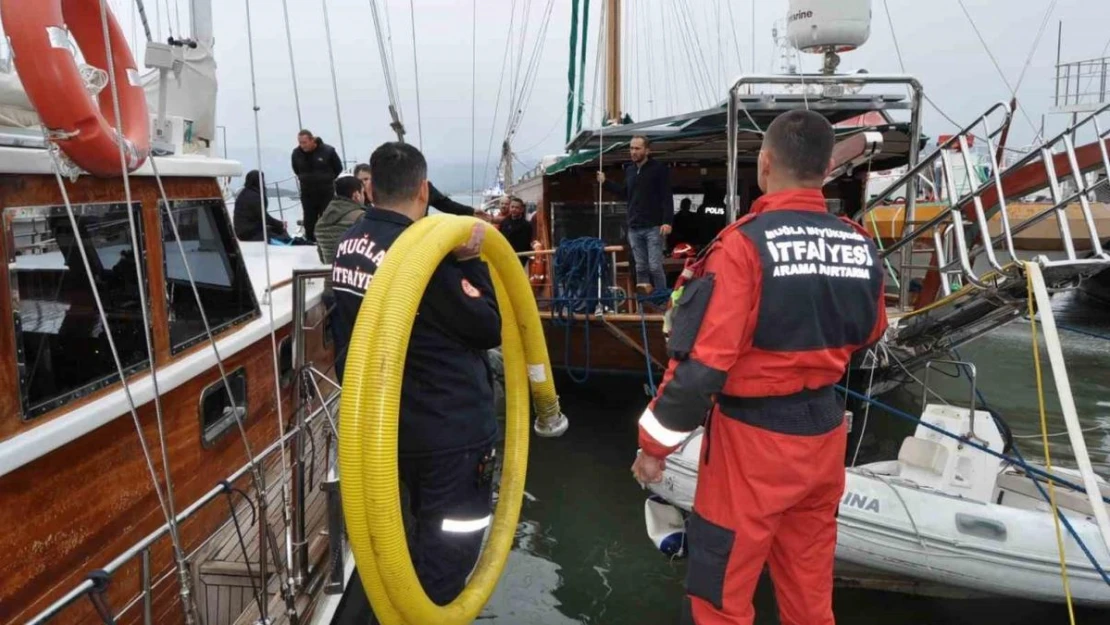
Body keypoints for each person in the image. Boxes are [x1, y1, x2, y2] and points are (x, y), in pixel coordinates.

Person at [631, 110, 888, 625]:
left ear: (765, 164)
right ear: (824, 169)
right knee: (809, 595)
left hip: (752, 446)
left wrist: (653, 448)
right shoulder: (859, 244)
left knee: (719, 595)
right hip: (823, 435)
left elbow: (702, 368)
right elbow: (871, 331)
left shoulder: (742, 246)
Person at [331, 141, 501, 607]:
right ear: (424, 189)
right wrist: (471, 262)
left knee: (396, 541)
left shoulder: (350, 245)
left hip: (384, 429)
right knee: (448, 555)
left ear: (370, 190)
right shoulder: (423, 257)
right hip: (447, 432)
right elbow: (486, 326)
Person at [597, 135, 673, 294]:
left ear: (647, 150)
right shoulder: (630, 170)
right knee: (640, 266)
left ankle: (662, 298)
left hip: (654, 226)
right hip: (634, 227)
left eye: (637, 148)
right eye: (631, 148)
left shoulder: (659, 169)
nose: (633, 152)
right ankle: (643, 301)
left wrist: (667, 222)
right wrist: (605, 183)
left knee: (654, 266)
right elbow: (625, 193)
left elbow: (666, 196)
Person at [351, 160, 486, 220]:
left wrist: (471, 211)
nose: (365, 184)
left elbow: (445, 204)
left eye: (367, 179)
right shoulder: (365, 203)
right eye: (361, 181)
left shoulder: (423, 187)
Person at [291, 129, 343, 241]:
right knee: (309, 218)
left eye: (304, 142)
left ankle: (327, 240)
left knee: (327, 216)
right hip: (307, 191)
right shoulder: (296, 153)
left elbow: (338, 168)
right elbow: (296, 169)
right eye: (300, 142)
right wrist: (304, 178)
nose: (302, 145)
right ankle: (310, 240)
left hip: (325, 191)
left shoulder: (328, 151)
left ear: (312, 140)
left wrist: (327, 178)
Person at [316, 176, 365, 265]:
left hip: (329, 274)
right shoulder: (361, 217)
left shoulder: (321, 221)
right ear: (356, 195)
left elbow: (322, 259)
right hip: (355, 274)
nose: (364, 197)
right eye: (363, 193)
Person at [233, 170, 290, 242]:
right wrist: (280, 224)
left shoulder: (246, 193)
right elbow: (263, 217)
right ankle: (290, 243)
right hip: (249, 233)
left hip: (244, 231)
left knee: (277, 229)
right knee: (280, 232)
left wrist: (278, 224)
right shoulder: (254, 196)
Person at [498, 196, 536, 265]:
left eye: (516, 207)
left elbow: (527, 243)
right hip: (505, 256)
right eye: (512, 207)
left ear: (522, 209)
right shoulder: (504, 222)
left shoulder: (526, 225)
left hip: (519, 258)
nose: (514, 209)